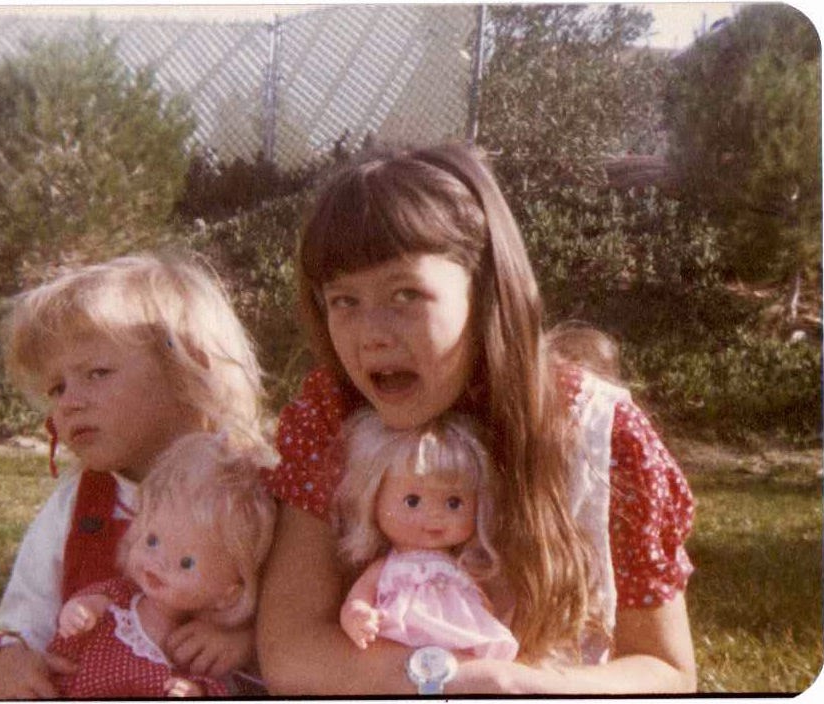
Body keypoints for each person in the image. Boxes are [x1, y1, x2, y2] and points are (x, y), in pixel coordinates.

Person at [257, 143, 696, 694]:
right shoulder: (331, 418)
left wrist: (516, 686)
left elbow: (667, 671)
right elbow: (290, 649)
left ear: (485, 290)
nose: (371, 334)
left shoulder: (601, 435)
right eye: (344, 301)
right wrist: (448, 678)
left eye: (405, 293)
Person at [0, 253, 273, 699]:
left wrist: (245, 642)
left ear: (189, 369)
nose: (69, 402)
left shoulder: (252, 488)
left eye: (97, 373)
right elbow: (25, 621)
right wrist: (10, 658)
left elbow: (303, 615)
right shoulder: (77, 503)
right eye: (57, 388)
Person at [47, 431, 276, 698]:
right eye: (152, 540)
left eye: (186, 563)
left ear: (228, 594)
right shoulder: (119, 600)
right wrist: (78, 612)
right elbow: (89, 605)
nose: (159, 563)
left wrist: (195, 691)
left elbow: (220, 686)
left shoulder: (206, 645)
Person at [333, 409, 517, 660]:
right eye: (412, 501)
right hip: (396, 641)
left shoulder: (460, 568)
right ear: (373, 501)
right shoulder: (386, 567)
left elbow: (484, 606)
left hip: (458, 643)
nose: (435, 515)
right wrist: (357, 614)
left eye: (453, 503)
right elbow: (358, 599)